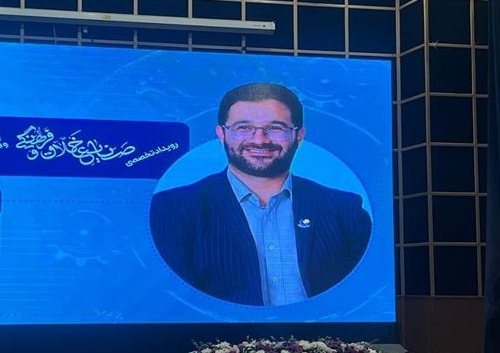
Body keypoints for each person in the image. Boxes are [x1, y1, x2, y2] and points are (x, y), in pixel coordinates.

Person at [149, 82, 372, 306]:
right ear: (222, 134)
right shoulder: (173, 209)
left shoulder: (344, 209)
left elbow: (368, 294)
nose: (259, 139)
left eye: (275, 127)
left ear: (299, 135)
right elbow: (172, 302)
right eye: (243, 127)